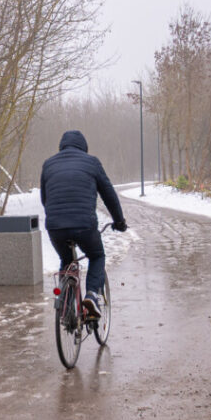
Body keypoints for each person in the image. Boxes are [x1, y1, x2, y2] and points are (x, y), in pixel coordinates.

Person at [39, 129, 127, 321]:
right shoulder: (92, 162)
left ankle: (65, 306)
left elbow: (45, 199)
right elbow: (109, 195)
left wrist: (58, 217)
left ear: (61, 146)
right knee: (97, 255)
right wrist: (119, 221)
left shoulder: (48, 164)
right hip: (84, 225)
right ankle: (91, 296)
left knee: (67, 260)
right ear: (84, 147)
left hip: (55, 226)